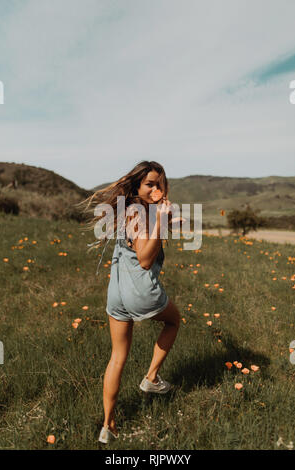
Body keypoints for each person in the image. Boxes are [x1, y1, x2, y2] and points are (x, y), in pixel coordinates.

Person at [77, 161, 181, 444]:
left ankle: (108, 426)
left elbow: (148, 239)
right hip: (140, 289)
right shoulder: (140, 214)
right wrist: (162, 220)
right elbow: (146, 260)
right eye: (150, 184)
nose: (156, 188)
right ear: (137, 186)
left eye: (159, 183)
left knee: (117, 357)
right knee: (173, 321)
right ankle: (151, 377)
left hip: (117, 292)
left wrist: (168, 219)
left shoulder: (133, 211)